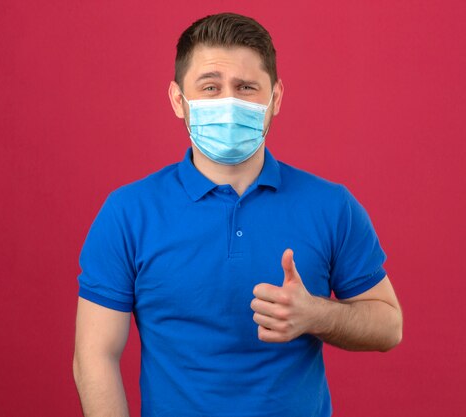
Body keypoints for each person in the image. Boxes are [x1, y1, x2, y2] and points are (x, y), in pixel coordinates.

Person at [73, 12, 402, 417]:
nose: (228, 103)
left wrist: (315, 314)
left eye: (246, 88)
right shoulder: (128, 213)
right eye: (210, 87)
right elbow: (94, 355)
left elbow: (389, 325)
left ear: (275, 98)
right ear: (179, 100)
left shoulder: (332, 206)